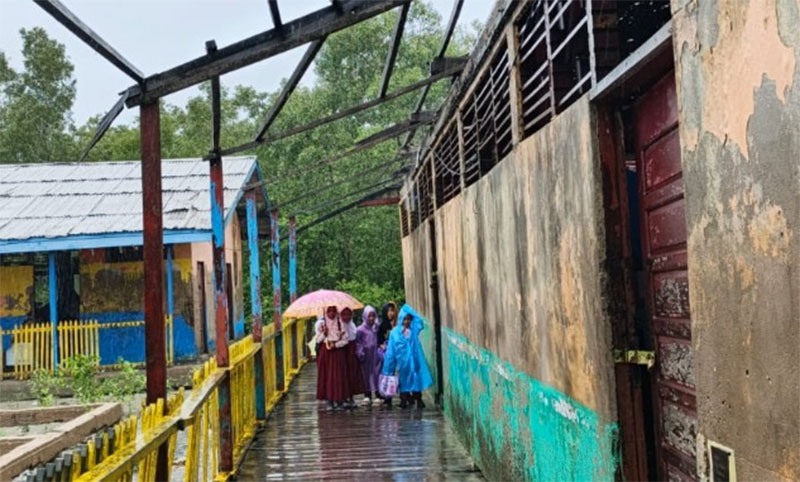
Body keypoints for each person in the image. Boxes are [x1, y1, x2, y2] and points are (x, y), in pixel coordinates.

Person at [381, 305, 433, 409]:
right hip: (403, 364)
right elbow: (391, 352)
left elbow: (419, 321)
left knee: (416, 381)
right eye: (404, 319)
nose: (406, 321)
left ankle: (418, 399)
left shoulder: (413, 330)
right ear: (400, 319)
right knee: (404, 383)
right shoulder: (395, 333)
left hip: (415, 362)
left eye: (408, 319)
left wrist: (407, 309)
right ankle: (404, 401)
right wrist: (388, 368)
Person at [316, 305, 350, 410]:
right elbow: (318, 340)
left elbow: (345, 340)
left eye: (333, 311)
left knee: (338, 376)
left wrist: (336, 345)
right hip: (326, 352)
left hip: (337, 352)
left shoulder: (340, 324)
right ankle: (329, 400)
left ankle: (339, 400)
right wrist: (324, 334)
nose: (331, 313)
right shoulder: (322, 325)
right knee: (327, 376)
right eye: (329, 311)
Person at [355, 305, 381, 405]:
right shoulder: (360, 329)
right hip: (365, 356)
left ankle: (377, 394)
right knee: (366, 375)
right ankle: (367, 395)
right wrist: (360, 352)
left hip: (374, 355)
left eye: (373, 316)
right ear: (365, 316)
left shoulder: (375, 328)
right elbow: (358, 342)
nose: (371, 318)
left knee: (375, 374)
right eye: (369, 316)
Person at [340, 307, 366, 408]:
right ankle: (342, 397)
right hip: (342, 351)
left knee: (351, 375)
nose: (346, 317)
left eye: (349, 314)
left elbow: (355, 339)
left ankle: (351, 397)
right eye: (344, 314)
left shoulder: (352, 326)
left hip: (351, 352)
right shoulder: (339, 325)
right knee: (343, 374)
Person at [376, 301, 398, 407]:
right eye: (389, 311)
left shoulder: (397, 324)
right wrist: (382, 345)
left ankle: (404, 397)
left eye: (392, 310)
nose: (391, 313)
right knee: (386, 375)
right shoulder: (382, 325)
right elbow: (379, 339)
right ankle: (386, 397)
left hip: (396, 353)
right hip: (385, 354)